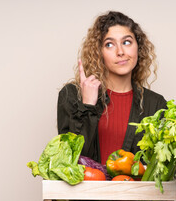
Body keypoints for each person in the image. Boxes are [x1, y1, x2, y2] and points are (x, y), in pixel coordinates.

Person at [57, 11, 167, 165]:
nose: (120, 52)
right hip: (87, 189)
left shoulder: (155, 104)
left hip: (136, 190)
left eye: (127, 42)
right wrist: (88, 105)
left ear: (138, 48)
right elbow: (68, 162)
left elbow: (161, 169)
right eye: (109, 44)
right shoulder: (72, 95)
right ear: (99, 52)